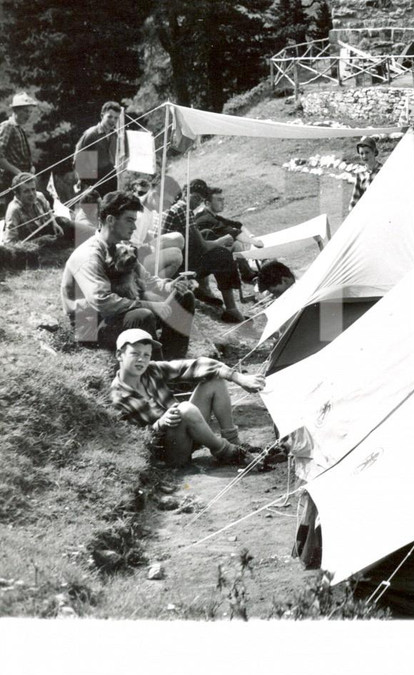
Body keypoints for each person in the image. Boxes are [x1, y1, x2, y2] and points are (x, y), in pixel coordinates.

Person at [60, 190, 197, 357]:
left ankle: (173, 360)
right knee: (143, 315)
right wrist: (151, 305)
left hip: (117, 315)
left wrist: (170, 285)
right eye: (129, 220)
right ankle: (156, 372)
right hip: (91, 326)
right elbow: (103, 302)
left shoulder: (120, 246)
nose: (134, 227)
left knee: (184, 297)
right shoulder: (89, 255)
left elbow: (148, 280)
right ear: (110, 220)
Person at [110, 328, 267, 468]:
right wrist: (160, 424)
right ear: (119, 355)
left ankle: (233, 442)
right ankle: (226, 452)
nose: (141, 360)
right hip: (169, 454)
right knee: (185, 409)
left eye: (146, 355)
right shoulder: (117, 398)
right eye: (135, 354)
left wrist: (238, 378)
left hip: (186, 430)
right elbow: (133, 443)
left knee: (214, 380)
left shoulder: (151, 370)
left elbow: (193, 365)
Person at [161, 178, 247, 322]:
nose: (196, 202)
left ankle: (204, 289)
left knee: (207, 233)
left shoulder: (175, 206)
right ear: (185, 192)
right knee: (222, 255)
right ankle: (232, 309)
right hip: (177, 265)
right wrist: (222, 241)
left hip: (170, 258)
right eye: (194, 197)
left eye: (199, 200)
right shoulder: (183, 209)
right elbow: (203, 246)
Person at [3, 172, 72, 246]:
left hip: (45, 234)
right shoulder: (14, 211)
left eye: (33, 189)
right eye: (26, 191)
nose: (32, 194)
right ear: (17, 194)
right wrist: (39, 241)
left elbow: (48, 211)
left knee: (74, 228)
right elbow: (9, 244)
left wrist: (54, 223)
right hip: (29, 248)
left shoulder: (39, 196)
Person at [73, 102, 122, 205]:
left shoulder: (115, 135)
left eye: (116, 118)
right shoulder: (92, 134)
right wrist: (83, 182)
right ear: (102, 115)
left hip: (110, 176)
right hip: (93, 178)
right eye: (110, 117)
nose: (113, 120)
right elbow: (79, 159)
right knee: (92, 212)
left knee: (109, 209)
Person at [0, 92, 38, 200]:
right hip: (12, 179)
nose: (28, 115)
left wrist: (31, 167)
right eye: (25, 111)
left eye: (30, 112)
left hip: (23, 178)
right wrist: (18, 173)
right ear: (15, 110)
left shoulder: (19, 128)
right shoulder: (8, 126)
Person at [350, 136, 380, 210]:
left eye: (367, 152)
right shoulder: (360, 174)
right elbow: (355, 198)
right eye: (361, 153)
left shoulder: (383, 170)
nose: (364, 156)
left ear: (374, 152)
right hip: (366, 211)